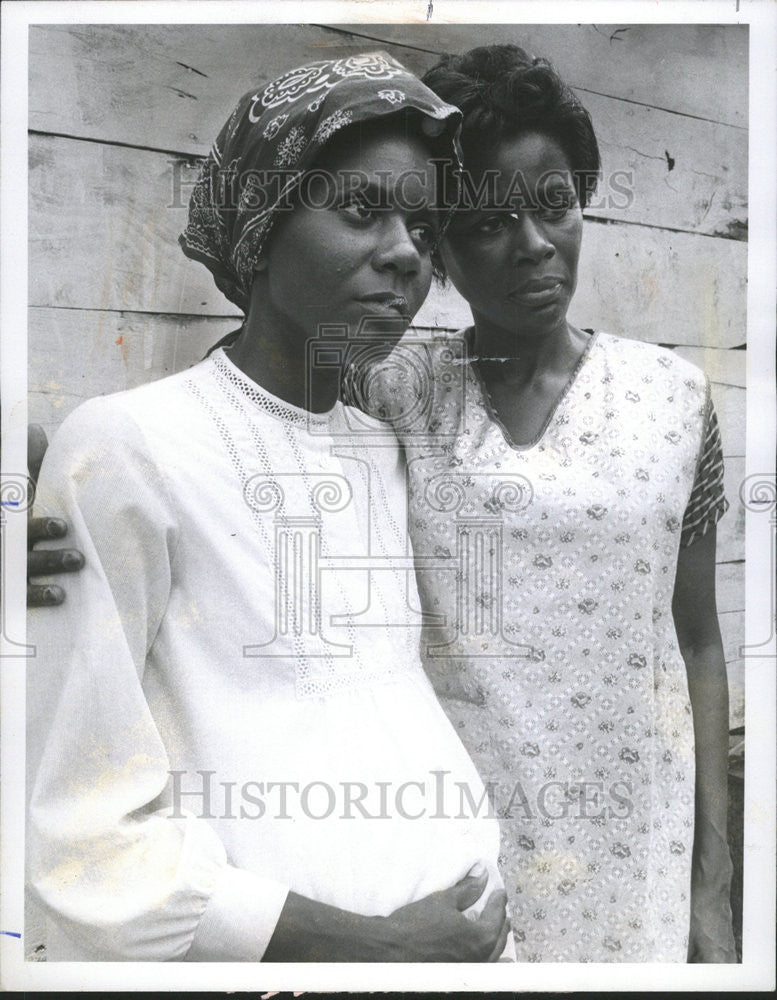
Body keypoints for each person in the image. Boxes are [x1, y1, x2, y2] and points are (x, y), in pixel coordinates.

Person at [26, 53, 511, 962]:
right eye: (363, 210)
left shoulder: (378, 450)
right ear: (263, 218)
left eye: (423, 223)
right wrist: (372, 945)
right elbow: (83, 835)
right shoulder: (130, 446)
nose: (407, 252)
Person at [355, 44, 736, 962]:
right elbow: (220, 444)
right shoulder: (389, 395)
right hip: (452, 854)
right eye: (486, 223)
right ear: (436, 243)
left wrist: (713, 888)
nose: (533, 244)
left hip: (634, 846)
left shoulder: (674, 401)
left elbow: (694, 639)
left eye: (553, 204)